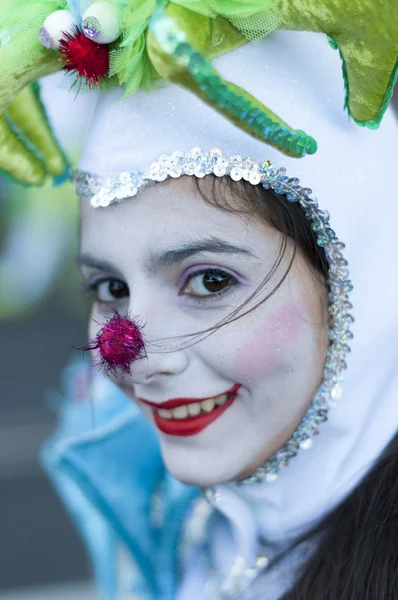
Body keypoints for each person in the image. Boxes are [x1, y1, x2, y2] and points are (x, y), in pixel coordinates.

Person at [1, 1, 397, 598]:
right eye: (110, 288)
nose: (133, 353)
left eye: (210, 281)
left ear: (359, 280)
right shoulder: (151, 505)